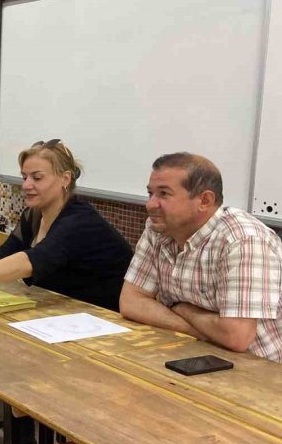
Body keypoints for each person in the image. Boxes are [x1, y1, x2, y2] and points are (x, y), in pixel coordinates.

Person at [0, 139, 133, 312]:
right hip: (63, 312)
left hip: (102, 319)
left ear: (65, 179)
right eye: (24, 177)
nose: (26, 185)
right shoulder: (33, 215)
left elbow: (31, 261)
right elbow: (5, 252)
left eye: (37, 178)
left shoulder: (80, 222)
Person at [120, 153, 282, 362]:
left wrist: (182, 309)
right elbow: (131, 302)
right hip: (197, 353)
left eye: (164, 194)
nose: (151, 205)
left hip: (262, 371)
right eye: (150, 193)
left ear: (205, 201)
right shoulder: (158, 228)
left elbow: (236, 337)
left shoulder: (243, 240)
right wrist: (200, 330)